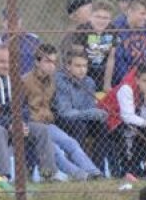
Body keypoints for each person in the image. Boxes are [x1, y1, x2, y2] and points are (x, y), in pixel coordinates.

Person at [0, 46, 61, 181]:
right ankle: (2, 177)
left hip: (9, 123)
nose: (7, 66)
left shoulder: (14, 80)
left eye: (10, 62)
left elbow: (24, 108)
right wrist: (11, 124)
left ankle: (49, 174)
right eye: (2, 62)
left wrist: (22, 123)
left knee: (41, 130)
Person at [22, 44, 100, 180]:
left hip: (48, 124)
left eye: (54, 62)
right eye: (47, 61)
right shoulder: (25, 81)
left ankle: (94, 172)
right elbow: (19, 108)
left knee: (71, 143)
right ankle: (81, 176)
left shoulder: (52, 80)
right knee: (55, 150)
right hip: (31, 125)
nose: (52, 66)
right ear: (37, 62)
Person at [54, 48, 111, 173]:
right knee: (80, 127)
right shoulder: (60, 80)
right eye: (78, 66)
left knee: (102, 126)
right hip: (62, 119)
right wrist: (91, 113)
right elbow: (65, 112)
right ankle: (79, 169)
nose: (82, 70)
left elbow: (90, 108)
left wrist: (98, 114)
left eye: (85, 66)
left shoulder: (89, 82)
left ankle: (97, 169)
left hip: (82, 117)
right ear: (68, 66)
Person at [111, 0, 146, 85]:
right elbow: (119, 62)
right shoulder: (118, 29)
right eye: (142, 14)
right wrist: (133, 81)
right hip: (125, 81)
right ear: (130, 12)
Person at [71, 0, 117, 90]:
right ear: (90, 17)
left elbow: (111, 58)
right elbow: (78, 58)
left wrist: (107, 84)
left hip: (103, 72)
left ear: (110, 19)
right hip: (86, 72)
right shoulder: (82, 30)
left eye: (105, 18)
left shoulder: (112, 30)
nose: (101, 21)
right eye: (98, 17)